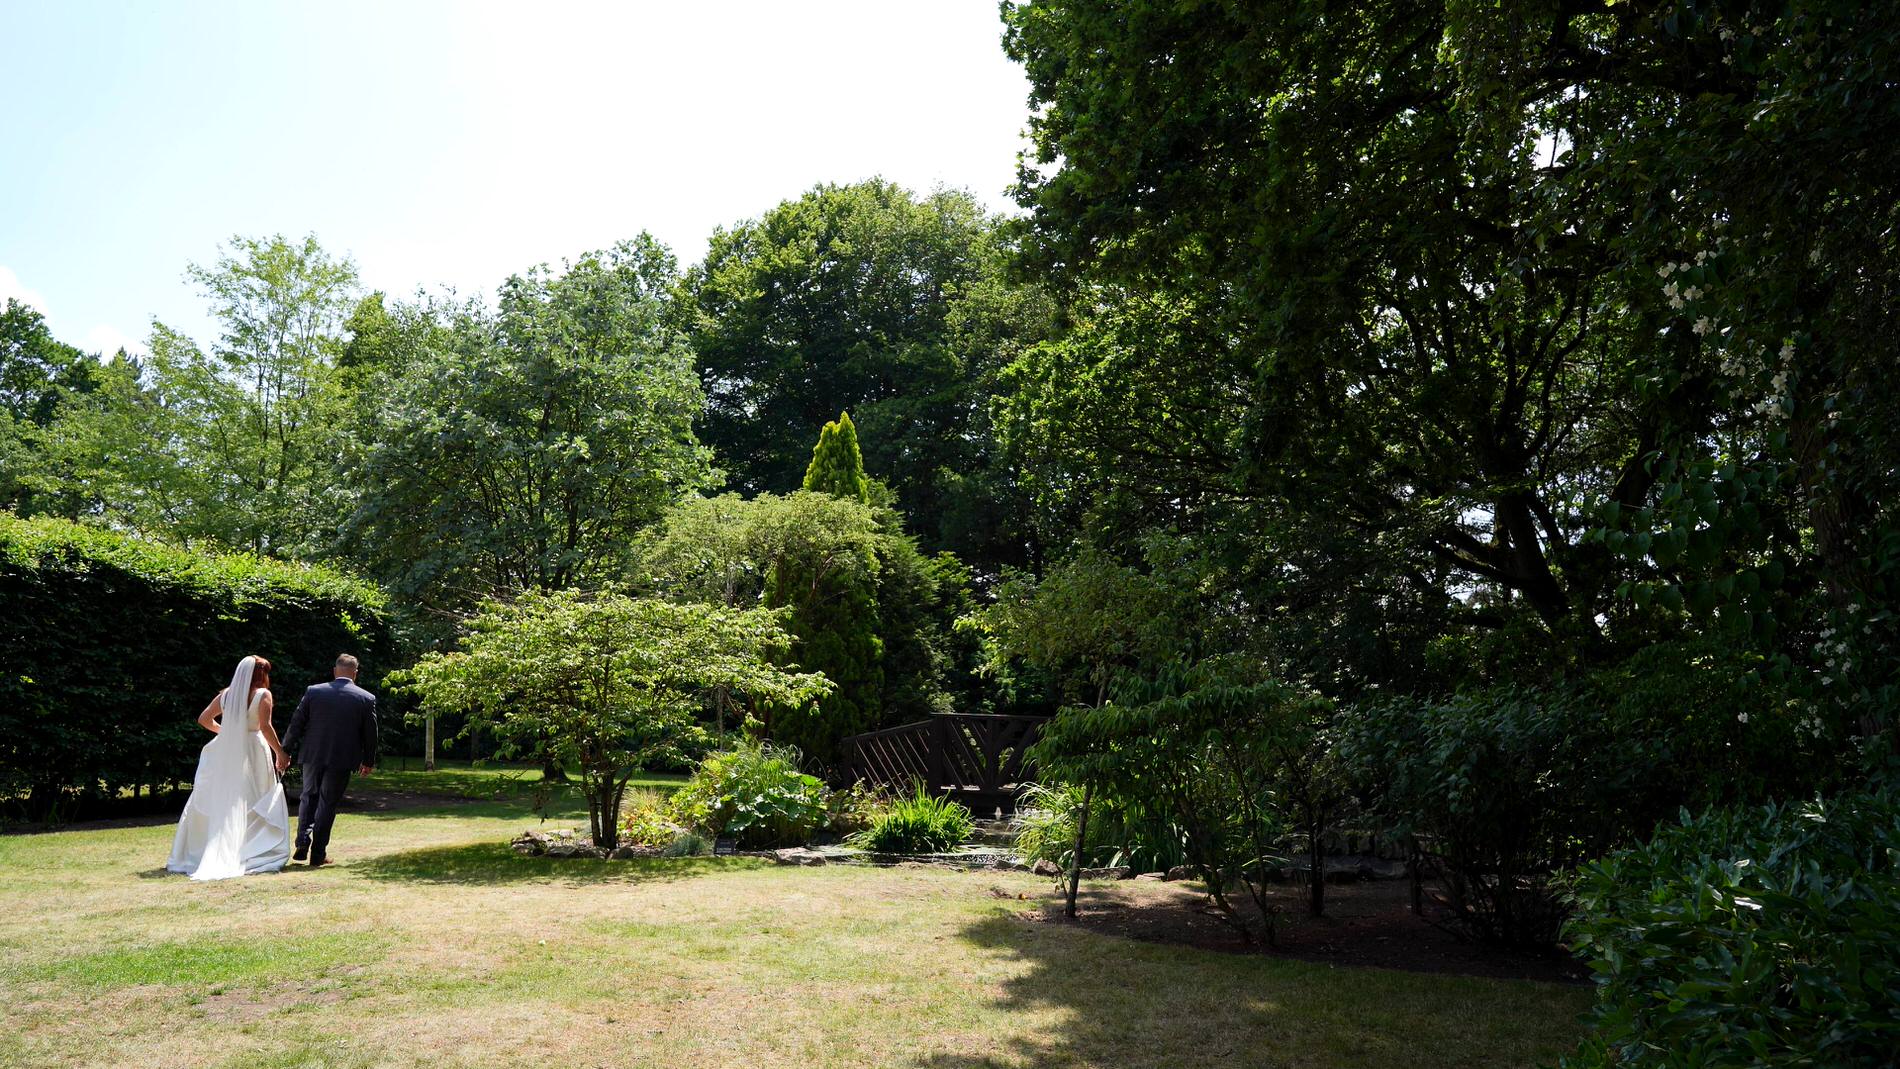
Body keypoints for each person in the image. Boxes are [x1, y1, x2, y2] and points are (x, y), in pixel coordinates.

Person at [166, 655, 292, 879]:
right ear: (261, 675)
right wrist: (280, 751)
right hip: (254, 750)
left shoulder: (226, 695)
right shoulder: (263, 695)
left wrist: (228, 733)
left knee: (227, 797)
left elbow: (204, 719)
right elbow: (265, 727)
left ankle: (220, 847)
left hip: (227, 750)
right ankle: (251, 848)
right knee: (256, 796)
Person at [283, 653, 379, 867]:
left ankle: (302, 840)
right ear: (355, 673)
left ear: (335, 671)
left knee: (308, 796)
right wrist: (368, 760)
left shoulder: (314, 691)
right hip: (342, 758)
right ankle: (318, 854)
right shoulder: (366, 698)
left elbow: (296, 724)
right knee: (327, 803)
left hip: (312, 755)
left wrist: (285, 750)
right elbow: (370, 734)